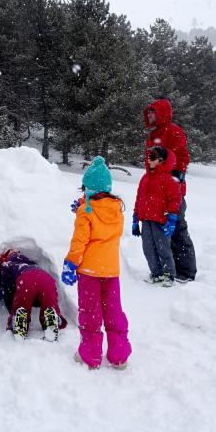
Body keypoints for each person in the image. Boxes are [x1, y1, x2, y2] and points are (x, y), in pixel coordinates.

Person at [62, 156, 132, 370]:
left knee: (91, 313)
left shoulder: (86, 211)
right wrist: (86, 206)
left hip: (90, 272)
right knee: (113, 312)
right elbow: (105, 229)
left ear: (89, 188)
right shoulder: (116, 210)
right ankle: (119, 356)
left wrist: (70, 263)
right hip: (111, 271)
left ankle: (90, 356)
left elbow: (79, 241)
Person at [144, 98, 197, 282]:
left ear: (162, 113)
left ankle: (187, 272)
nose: (149, 115)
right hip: (157, 193)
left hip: (172, 192)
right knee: (164, 232)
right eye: (149, 112)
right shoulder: (153, 135)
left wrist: (174, 181)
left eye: (153, 111)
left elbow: (182, 158)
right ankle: (171, 268)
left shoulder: (174, 131)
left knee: (178, 229)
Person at [132, 146, 182, 287]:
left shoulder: (168, 179)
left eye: (152, 157)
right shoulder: (145, 178)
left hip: (161, 221)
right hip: (146, 220)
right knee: (148, 248)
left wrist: (172, 218)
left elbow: (175, 199)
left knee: (163, 249)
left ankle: (168, 275)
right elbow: (139, 198)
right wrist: (135, 218)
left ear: (161, 161)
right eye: (149, 157)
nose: (149, 160)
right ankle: (156, 274)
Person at [0, 249, 67, 342]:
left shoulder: (8, 264)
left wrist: (11, 307)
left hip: (26, 279)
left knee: (22, 306)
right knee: (50, 304)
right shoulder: (31, 262)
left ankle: (19, 321)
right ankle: (50, 317)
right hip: (47, 279)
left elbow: (7, 289)